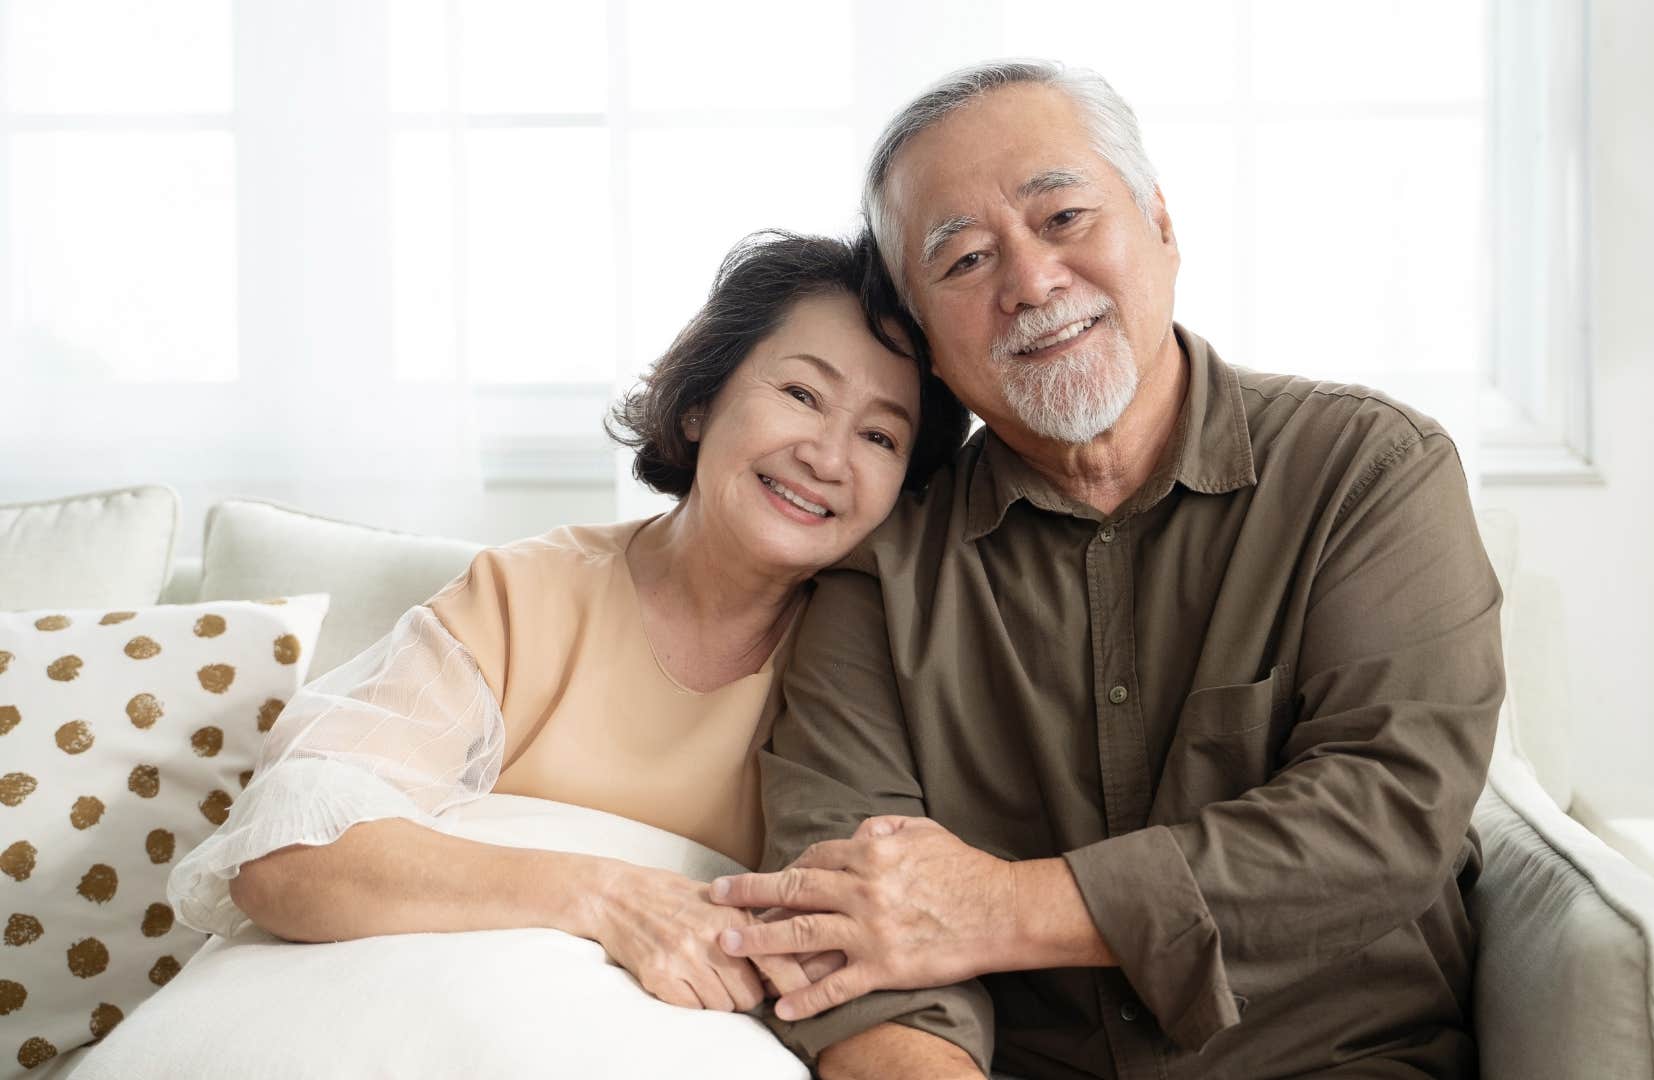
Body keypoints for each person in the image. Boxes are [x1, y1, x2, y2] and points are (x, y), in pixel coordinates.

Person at [707, 62, 1506, 1079]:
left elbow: (1389, 812)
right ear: (928, 347)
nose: (1032, 282)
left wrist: (999, 908)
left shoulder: (1369, 471)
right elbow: (846, 920)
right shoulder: (881, 571)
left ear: (1163, 227)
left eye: (1065, 216)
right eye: (964, 261)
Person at [162, 230, 969, 1012]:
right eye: (801, 394)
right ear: (699, 403)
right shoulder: (523, 597)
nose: (828, 457)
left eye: (878, 435)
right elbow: (288, 855)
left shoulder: (881, 661)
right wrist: (609, 898)